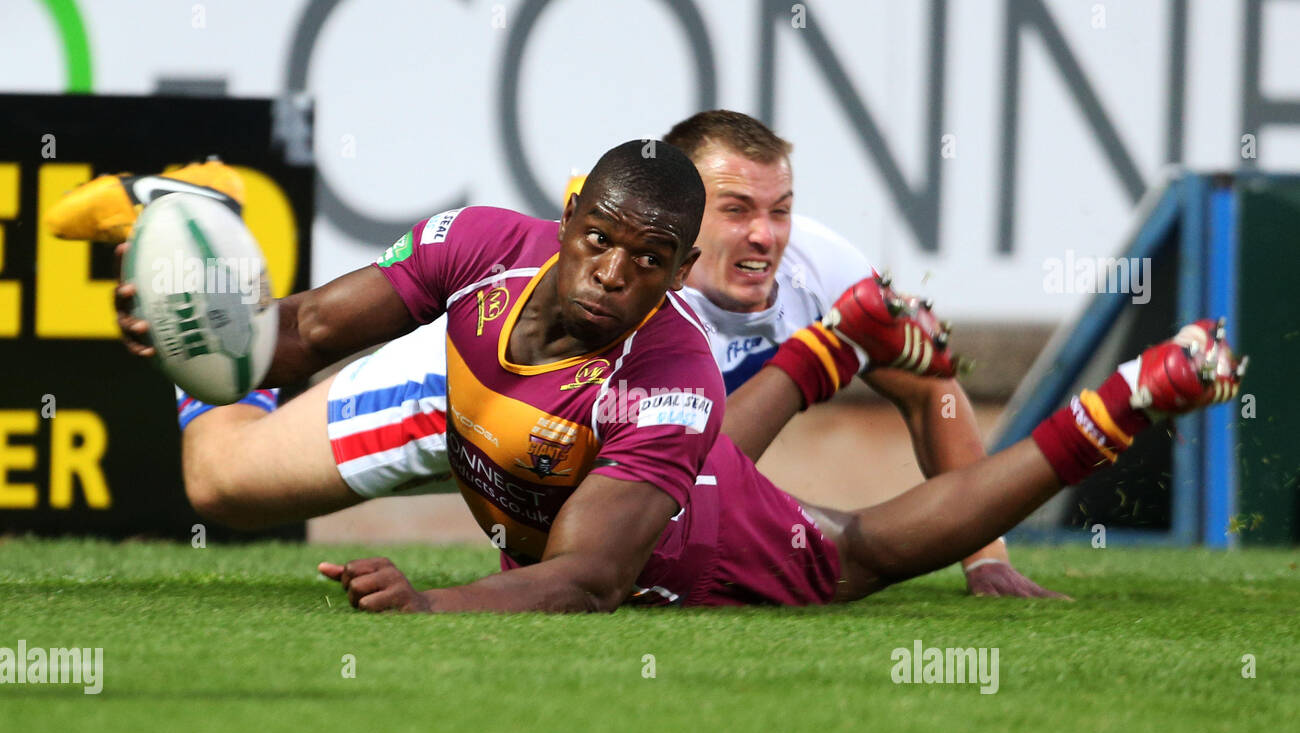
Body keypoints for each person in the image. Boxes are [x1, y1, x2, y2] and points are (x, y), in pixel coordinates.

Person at [109, 141, 1244, 610]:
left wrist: (433, 606)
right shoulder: (477, 243)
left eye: (647, 260)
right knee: (210, 476)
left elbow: (590, 575)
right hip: (461, 396)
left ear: (674, 269)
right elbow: (304, 325)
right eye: (597, 240)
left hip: (639, 495)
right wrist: (202, 325)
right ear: (565, 217)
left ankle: (1127, 399)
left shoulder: (679, 358)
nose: (611, 274)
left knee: (849, 545)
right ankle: (176, 211)